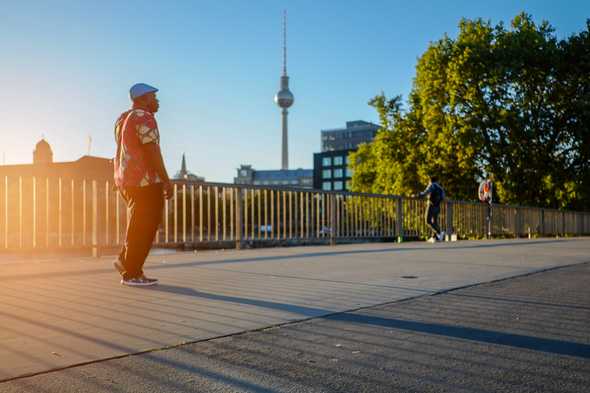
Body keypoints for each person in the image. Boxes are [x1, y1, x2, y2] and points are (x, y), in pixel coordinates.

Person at [112, 83, 173, 286]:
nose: (157, 101)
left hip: (126, 180)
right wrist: (166, 179)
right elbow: (152, 150)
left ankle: (126, 262)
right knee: (145, 226)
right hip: (144, 181)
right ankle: (132, 273)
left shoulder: (123, 118)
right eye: (154, 97)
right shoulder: (144, 117)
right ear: (145, 98)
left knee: (137, 224)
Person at [417, 176, 445, 242]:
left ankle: (439, 232)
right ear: (437, 180)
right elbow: (443, 197)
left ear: (430, 180)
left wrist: (418, 194)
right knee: (434, 222)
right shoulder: (440, 188)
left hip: (431, 205)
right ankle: (435, 237)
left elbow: (425, 192)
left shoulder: (432, 185)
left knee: (427, 221)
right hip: (437, 206)